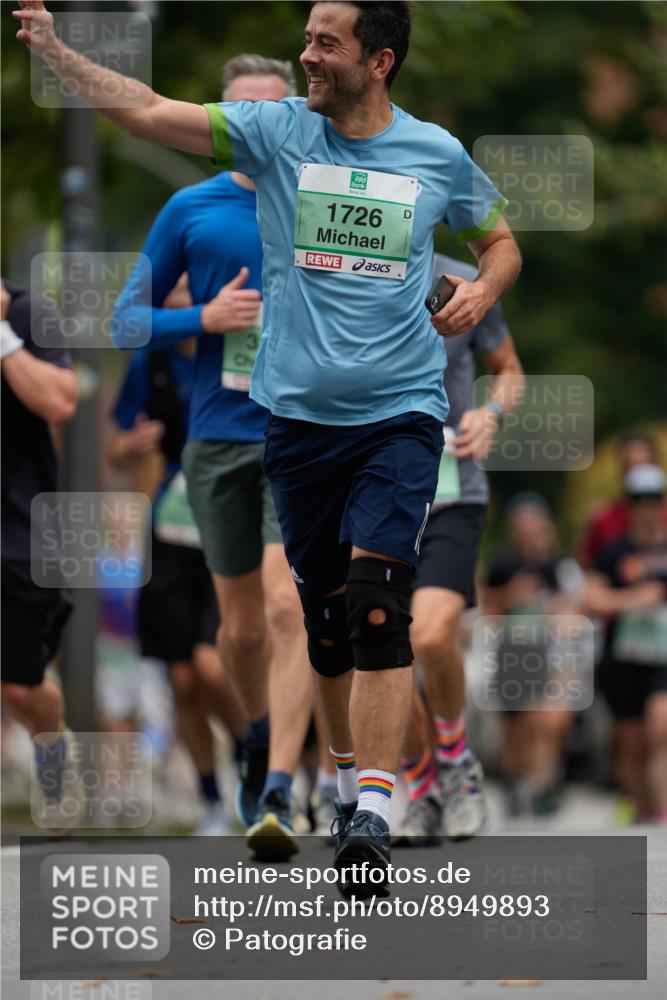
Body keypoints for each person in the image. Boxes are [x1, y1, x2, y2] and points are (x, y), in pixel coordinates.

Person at [15, 0, 521, 895]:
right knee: (324, 622)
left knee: (376, 602)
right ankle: (335, 774)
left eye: (326, 43)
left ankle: (371, 803)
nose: (307, 56)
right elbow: (145, 108)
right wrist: (61, 54)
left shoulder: (436, 153)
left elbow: (501, 242)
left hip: (401, 415)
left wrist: (482, 292)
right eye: (307, 39)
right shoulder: (277, 133)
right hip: (294, 422)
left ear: (380, 60)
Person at [111, 56, 314, 858]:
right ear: (218, 127)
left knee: (286, 608)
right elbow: (126, 321)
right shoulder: (189, 207)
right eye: (241, 115)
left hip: (303, 437)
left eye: (273, 113)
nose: (258, 128)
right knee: (238, 634)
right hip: (217, 441)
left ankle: (278, 782)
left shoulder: (322, 199)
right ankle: (258, 737)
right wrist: (205, 315)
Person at [394, 251, 523, 846]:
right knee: (377, 649)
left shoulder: (458, 280)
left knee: (430, 635)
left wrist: (491, 413)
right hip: (370, 490)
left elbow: (508, 368)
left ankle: (455, 763)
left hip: (451, 487)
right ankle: (419, 790)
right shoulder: (337, 263)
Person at [107, 306, 246, 835]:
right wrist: (130, 447)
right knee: (183, 680)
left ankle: (250, 755)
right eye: (176, 295)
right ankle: (212, 800)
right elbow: (118, 445)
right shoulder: (152, 363)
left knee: (212, 665)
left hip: (229, 529)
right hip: (167, 530)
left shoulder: (241, 349)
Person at [1, 277, 78, 824]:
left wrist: (2, 335)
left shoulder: (29, 313)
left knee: (22, 690)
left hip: (19, 535)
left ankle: (53, 754)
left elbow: (59, 400)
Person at [483, 494, 581, 817]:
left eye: (536, 529)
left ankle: (542, 785)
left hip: (550, 654)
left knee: (548, 720)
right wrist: (510, 596)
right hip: (513, 653)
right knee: (517, 724)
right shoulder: (502, 566)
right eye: (524, 529)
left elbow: (578, 605)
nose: (531, 536)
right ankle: (515, 779)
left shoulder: (561, 567)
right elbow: (486, 611)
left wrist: (563, 614)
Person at [585, 464, 667, 824]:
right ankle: (642, 804)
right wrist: (634, 599)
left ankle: (662, 809)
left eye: (653, 499)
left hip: (663, 655)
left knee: (661, 724)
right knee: (631, 740)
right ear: (628, 504)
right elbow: (591, 598)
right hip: (622, 656)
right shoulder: (614, 551)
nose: (646, 506)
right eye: (638, 499)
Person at [578, 431, 667, 568]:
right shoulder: (603, 517)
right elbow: (586, 567)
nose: (639, 475)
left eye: (644, 466)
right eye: (631, 467)